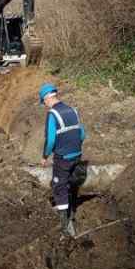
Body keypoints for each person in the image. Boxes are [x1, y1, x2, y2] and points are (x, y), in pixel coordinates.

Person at [39, 83, 85, 237]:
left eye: (43, 102)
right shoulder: (73, 110)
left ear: (46, 99)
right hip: (77, 154)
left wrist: (45, 156)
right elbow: (82, 134)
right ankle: (70, 212)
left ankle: (65, 226)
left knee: (60, 187)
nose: (45, 105)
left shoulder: (52, 114)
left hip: (63, 158)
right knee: (71, 184)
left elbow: (51, 140)